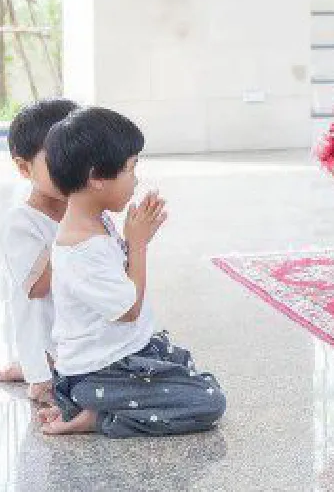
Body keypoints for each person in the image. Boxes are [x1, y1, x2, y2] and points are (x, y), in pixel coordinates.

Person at [38, 106, 226, 437]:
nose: (136, 178)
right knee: (209, 401)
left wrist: (134, 240)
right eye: (130, 168)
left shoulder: (95, 222)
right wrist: (137, 246)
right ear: (96, 177)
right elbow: (128, 310)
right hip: (100, 371)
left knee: (185, 366)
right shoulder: (80, 249)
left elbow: (119, 282)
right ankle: (96, 417)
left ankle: (93, 402)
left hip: (121, 354)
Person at [0, 98, 80, 404]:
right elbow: (37, 286)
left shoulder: (88, 212)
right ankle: (33, 369)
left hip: (80, 333)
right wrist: (77, 221)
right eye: (58, 160)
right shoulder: (21, 222)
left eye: (80, 158)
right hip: (48, 341)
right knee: (55, 394)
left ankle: (28, 363)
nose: (73, 169)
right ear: (23, 167)